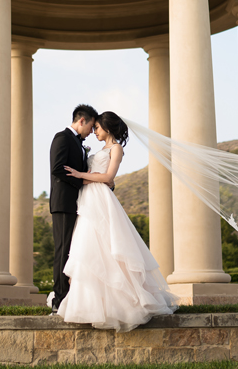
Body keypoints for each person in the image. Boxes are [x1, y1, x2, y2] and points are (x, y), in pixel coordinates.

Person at [57, 110, 178, 331]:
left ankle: (122, 300)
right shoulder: (99, 149)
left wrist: (79, 175)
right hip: (87, 198)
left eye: (97, 128)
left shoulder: (116, 148)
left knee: (108, 244)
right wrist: (80, 177)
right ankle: (86, 302)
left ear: (107, 127)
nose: (94, 131)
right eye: (93, 128)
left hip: (101, 198)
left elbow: (108, 178)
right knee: (87, 247)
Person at [48, 104, 97, 314]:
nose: (92, 132)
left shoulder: (78, 143)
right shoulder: (62, 137)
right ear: (82, 121)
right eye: (91, 126)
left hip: (75, 203)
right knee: (63, 249)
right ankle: (59, 298)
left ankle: (69, 296)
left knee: (72, 250)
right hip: (63, 203)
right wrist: (79, 182)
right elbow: (57, 168)